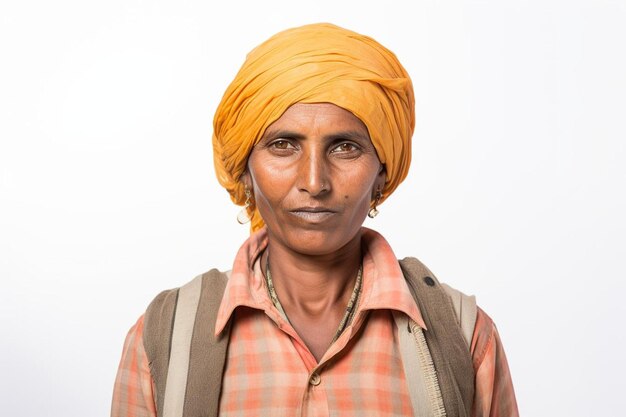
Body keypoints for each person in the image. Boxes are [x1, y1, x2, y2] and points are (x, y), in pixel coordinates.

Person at [111, 23, 518, 417]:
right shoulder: (165, 336)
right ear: (245, 169)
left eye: (344, 147)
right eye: (283, 145)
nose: (314, 182)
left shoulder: (463, 335)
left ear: (382, 171)